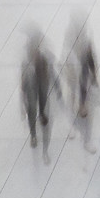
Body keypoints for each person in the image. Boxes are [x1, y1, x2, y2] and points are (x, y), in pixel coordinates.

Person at [22, 29, 57, 161]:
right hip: (32, 86)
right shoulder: (26, 60)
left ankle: (41, 115)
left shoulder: (43, 56)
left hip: (42, 84)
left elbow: (50, 70)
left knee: (42, 105)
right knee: (31, 110)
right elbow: (23, 79)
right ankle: (33, 136)